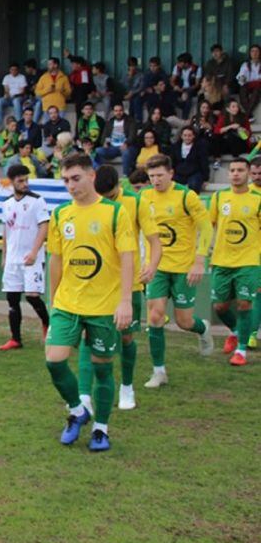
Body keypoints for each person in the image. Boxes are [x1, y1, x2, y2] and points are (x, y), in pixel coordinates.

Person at [44, 153, 135, 452]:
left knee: (102, 370)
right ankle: (77, 410)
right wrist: (53, 301)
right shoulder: (60, 215)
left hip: (104, 306)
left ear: (92, 176)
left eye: (76, 178)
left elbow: (126, 257)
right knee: (54, 360)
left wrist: (125, 302)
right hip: (68, 303)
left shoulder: (114, 212)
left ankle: (101, 429)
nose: (71, 186)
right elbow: (56, 260)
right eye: (66, 180)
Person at [79, 165, 161, 413]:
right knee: (88, 335)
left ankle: (127, 386)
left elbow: (154, 241)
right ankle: (84, 396)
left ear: (119, 185)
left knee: (126, 336)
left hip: (128, 283)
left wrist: (152, 265)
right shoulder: (88, 202)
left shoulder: (137, 202)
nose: (106, 200)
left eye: (111, 195)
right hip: (95, 282)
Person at [139, 155, 214, 389]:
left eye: (160, 175)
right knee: (154, 317)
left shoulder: (186, 196)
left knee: (184, 321)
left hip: (183, 268)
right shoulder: (145, 197)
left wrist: (199, 261)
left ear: (171, 173)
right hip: (157, 267)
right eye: (151, 176)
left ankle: (202, 328)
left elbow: (205, 226)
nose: (156, 180)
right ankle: (159, 371)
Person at [206, 159, 261, 367]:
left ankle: (241, 351)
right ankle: (237, 332)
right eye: (232, 170)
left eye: (240, 170)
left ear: (248, 173)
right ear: (228, 174)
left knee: (244, 303)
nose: (236, 174)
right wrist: (203, 252)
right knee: (219, 307)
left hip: (248, 261)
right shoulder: (219, 197)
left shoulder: (257, 199)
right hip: (221, 261)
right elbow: (208, 225)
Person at [0, 166, 51, 351]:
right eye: (20, 181)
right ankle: (15, 339)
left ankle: (47, 324)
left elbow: (44, 226)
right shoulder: (6, 204)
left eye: (26, 180)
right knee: (12, 299)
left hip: (31, 258)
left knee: (32, 296)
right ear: (11, 181)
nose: (25, 184)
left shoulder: (37, 201)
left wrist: (35, 252)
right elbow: (6, 230)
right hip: (13, 260)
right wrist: (5, 255)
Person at [95, 103, 137, 168]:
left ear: (123, 111)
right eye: (116, 111)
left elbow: (132, 135)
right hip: (112, 147)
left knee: (126, 153)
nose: (118, 112)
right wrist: (105, 143)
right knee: (98, 150)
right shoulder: (110, 122)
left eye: (120, 110)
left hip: (126, 147)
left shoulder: (130, 121)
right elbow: (104, 135)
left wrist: (126, 143)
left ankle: (125, 176)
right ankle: (102, 172)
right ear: (113, 112)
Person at [172, 126, 208, 193]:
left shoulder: (199, 146)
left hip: (194, 173)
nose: (187, 138)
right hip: (179, 173)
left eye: (189, 135)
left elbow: (204, 162)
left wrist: (205, 179)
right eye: (185, 135)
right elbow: (172, 162)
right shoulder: (175, 146)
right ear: (181, 136)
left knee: (194, 185)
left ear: (193, 136)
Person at [0, 63, 29, 127]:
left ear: (18, 70)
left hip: (19, 97)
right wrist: (6, 95)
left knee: (16, 101)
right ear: (9, 70)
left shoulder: (22, 77)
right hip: (9, 98)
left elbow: (22, 91)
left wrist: (15, 96)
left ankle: (19, 124)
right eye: (12, 69)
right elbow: (6, 89)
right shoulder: (6, 77)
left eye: (15, 70)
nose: (13, 71)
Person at [236, 43, 261, 113]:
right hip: (249, 86)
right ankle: (249, 114)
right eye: (252, 51)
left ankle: (247, 114)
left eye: (257, 51)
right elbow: (241, 77)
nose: (254, 53)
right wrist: (243, 81)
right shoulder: (246, 64)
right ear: (250, 53)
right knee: (242, 89)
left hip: (259, 88)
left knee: (257, 90)